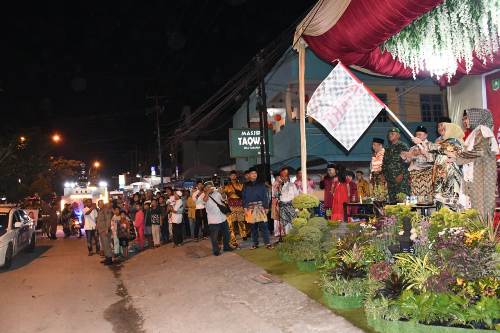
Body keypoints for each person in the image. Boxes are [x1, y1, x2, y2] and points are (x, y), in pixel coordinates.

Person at [414, 123, 465, 211]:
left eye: (445, 129)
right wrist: (426, 153)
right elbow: (436, 158)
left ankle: (453, 222)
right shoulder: (444, 143)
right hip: (441, 178)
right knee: (440, 203)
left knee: (450, 203)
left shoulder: (454, 141)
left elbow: (440, 148)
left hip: (450, 177)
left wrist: (422, 142)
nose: (443, 132)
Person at [459, 108, 498, 218]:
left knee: (481, 207)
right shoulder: (477, 131)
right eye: (463, 119)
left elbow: (478, 151)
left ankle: (482, 233)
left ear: (476, 117)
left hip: (482, 174)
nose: (464, 121)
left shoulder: (483, 131)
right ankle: (479, 233)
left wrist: (456, 158)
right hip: (478, 173)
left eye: (467, 118)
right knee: (476, 207)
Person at [401, 125, 434, 201]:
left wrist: (417, 154)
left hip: (425, 177)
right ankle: (417, 213)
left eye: (420, 134)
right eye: (416, 135)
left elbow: (431, 160)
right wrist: (406, 156)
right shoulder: (413, 148)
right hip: (414, 177)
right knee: (415, 201)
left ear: (426, 135)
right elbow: (407, 161)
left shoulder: (430, 145)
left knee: (426, 201)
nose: (418, 136)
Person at [242, 167, 272, 249]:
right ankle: (255, 244)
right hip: (250, 208)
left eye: (255, 173)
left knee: (264, 226)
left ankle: (267, 243)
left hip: (260, 206)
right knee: (253, 227)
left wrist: (266, 207)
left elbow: (265, 196)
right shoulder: (245, 185)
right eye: (252, 173)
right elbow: (244, 197)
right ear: (249, 175)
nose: (254, 175)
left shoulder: (261, 184)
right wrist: (244, 207)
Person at [203, 182, 233, 256]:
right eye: (208, 187)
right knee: (214, 237)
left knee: (227, 234)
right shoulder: (202, 195)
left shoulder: (217, 193)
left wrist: (222, 192)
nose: (210, 188)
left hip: (222, 217)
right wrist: (207, 193)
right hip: (213, 220)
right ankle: (216, 250)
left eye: (211, 187)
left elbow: (224, 198)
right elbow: (204, 200)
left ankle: (226, 247)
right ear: (205, 188)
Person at [382, 128, 410, 203]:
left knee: (402, 201)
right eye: (389, 134)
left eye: (392, 133)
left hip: (400, 180)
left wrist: (402, 174)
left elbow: (408, 162)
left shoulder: (403, 146)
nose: (390, 135)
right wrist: (384, 175)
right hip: (390, 180)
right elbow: (384, 163)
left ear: (398, 135)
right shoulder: (387, 148)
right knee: (392, 202)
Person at [223, 170, 248, 247]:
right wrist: (222, 194)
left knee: (241, 221)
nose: (233, 176)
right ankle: (233, 239)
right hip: (231, 206)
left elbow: (244, 194)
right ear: (230, 177)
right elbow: (224, 197)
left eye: (234, 175)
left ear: (236, 176)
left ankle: (244, 234)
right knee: (231, 223)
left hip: (240, 205)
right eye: (232, 175)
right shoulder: (226, 186)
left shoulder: (241, 185)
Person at [272, 167, 299, 236]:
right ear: (280, 177)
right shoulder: (278, 185)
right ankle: (287, 237)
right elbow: (276, 196)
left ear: (288, 177)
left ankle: (294, 237)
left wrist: (296, 208)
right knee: (285, 224)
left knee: (293, 223)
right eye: (282, 176)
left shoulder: (292, 185)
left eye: (286, 176)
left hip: (291, 207)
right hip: (282, 207)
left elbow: (296, 196)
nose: (284, 178)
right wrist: (279, 188)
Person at [97, 201, 113, 265]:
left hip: (105, 230)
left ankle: (109, 259)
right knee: (104, 245)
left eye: (101, 203)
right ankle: (107, 257)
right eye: (99, 204)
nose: (99, 205)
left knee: (107, 245)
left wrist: (107, 229)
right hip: (101, 230)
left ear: (103, 204)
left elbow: (108, 220)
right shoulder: (100, 211)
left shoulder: (106, 210)